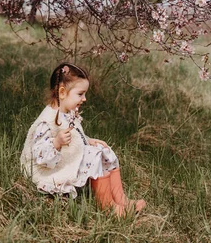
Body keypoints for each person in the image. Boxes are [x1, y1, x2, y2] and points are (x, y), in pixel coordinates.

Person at [20, 62, 146, 217]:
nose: (84, 99)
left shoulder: (67, 111)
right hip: (48, 170)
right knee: (92, 156)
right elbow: (39, 155)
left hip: (64, 159)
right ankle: (108, 207)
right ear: (62, 92)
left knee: (103, 150)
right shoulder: (47, 121)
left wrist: (88, 140)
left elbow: (75, 136)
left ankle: (120, 198)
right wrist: (56, 142)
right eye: (80, 94)